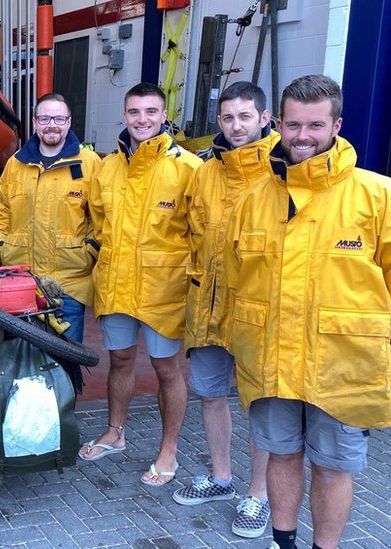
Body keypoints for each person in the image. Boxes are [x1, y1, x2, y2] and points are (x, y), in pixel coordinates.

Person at [225, 74, 391, 549]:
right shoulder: (254, 199)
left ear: (337, 124)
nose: (302, 137)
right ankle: (284, 542)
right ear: (277, 123)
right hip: (271, 357)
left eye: (315, 125)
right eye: (293, 125)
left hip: (342, 365)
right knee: (280, 455)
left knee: (333, 464)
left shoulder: (377, 196)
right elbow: (240, 278)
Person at [81, 83, 202, 487]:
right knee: (118, 362)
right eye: (135, 112)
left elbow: (199, 230)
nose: (143, 120)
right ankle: (115, 432)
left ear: (164, 115)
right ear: (125, 114)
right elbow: (99, 220)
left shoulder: (188, 168)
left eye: (151, 112)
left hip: (162, 288)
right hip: (116, 282)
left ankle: (168, 450)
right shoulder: (106, 166)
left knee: (167, 369)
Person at [173, 81, 274, 537]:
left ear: (265, 118)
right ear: (219, 120)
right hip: (208, 308)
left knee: (262, 405)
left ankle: (259, 495)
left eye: (246, 117)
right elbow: (189, 233)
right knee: (211, 394)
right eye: (229, 117)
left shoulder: (281, 172)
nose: (237, 126)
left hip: (259, 314)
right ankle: (220, 478)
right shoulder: (204, 173)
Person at [0, 93, 102, 342]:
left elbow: (101, 217)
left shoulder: (89, 163)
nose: (52, 124)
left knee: (64, 365)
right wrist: (2, 249)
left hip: (69, 285)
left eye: (59, 118)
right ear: (34, 122)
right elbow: (4, 211)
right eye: (45, 118)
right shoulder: (15, 164)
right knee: (21, 362)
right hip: (20, 280)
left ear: (69, 122)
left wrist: (88, 251)